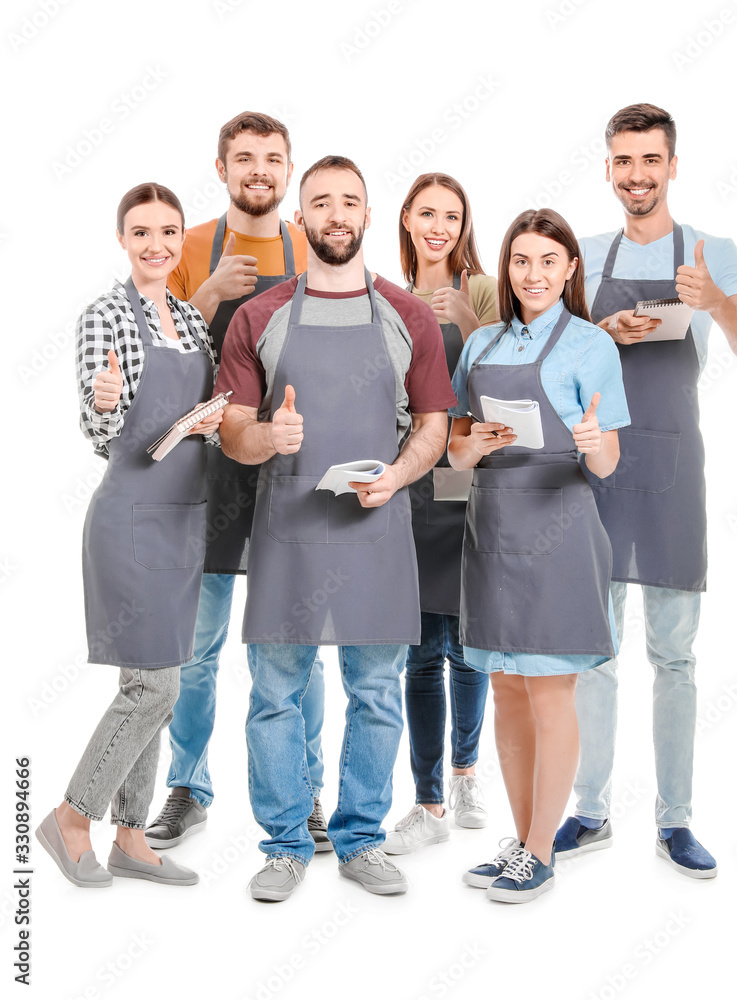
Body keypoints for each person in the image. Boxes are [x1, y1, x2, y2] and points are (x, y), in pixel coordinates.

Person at [214, 155, 455, 900]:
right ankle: (286, 844)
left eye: (349, 201)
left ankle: (359, 840)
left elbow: (434, 423)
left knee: (377, 691)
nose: (336, 214)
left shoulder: (407, 316)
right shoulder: (260, 315)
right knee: (275, 693)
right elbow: (228, 428)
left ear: (367, 216)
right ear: (302, 218)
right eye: (321, 202)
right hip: (286, 525)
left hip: (375, 531)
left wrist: (400, 473)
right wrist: (267, 439)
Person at [555, 103, 737, 879]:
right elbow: (549, 370)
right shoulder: (582, 254)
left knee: (674, 656)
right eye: (622, 161)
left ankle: (675, 821)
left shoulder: (713, 251)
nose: (636, 175)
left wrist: (714, 301)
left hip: (674, 471)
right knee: (593, 653)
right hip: (599, 472)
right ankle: (589, 809)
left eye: (649, 160)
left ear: (672, 164)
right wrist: (594, 335)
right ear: (607, 167)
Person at [145, 113, 330, 853]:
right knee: (195, 645)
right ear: (220, 168)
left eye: (273, 159)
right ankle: (187, 786)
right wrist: (206, 299)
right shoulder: (188, 251)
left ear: (289, 171)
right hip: (207, 475)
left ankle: (306, 792)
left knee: (295, 644)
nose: (260, 169)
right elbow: (152, 370)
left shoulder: (314, 249)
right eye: (244, 158)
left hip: (292, 468)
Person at [36, 183, 222, 888]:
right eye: (141, 232)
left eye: (168, 233)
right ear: (122, 239)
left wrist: (207, 419)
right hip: (130, 518)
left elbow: (199, 402)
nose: (156, 245)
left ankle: (133, 838)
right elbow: (98, 420)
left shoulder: (187, 317)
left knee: (156, 682)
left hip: (183, 519)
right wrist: (104, 400)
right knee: (153, 686)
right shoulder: (105, 315)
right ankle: (71, 816)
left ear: (180, 240)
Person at [448, 208, 630, 903]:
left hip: (559, 525)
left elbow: (608, 462)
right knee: (503, 686)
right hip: (492, 525)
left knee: (550, 688)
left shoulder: (591, 346)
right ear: (507, 268)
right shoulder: (481, 345)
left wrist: (593, 442)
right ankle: (523, 841)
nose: (533, 274)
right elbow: (456, 453)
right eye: (520, 262)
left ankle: (541, 851)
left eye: (547, 261)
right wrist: (476, 445)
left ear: (568, 269)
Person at [383, 173, 498, 855]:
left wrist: (466, 321)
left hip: (469, 479)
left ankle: (465, 776)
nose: (438, 227)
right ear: (405, 219)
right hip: (411, 485)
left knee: (469, 644)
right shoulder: (385, 298)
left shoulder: (483, 290)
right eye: (426, 213)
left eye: (450, 216)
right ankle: (426, 803)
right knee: (421, 650)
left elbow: (509, 374)